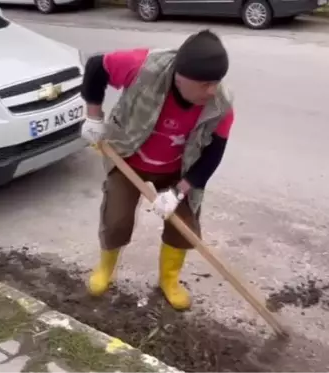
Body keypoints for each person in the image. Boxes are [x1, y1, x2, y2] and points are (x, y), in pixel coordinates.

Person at [80, 29, 234, 311]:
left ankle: (169, 280)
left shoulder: (220, 105)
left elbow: (213, 156)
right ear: (180, 74)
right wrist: (93, 117)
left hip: (178, 169)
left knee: (184, 227)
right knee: (116, 219)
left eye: (217, 82)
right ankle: (106, 270)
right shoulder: (142, 67)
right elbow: (95, 66)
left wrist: (178, 192)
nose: (212, 90)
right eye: (204, 83)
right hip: (128, 158)